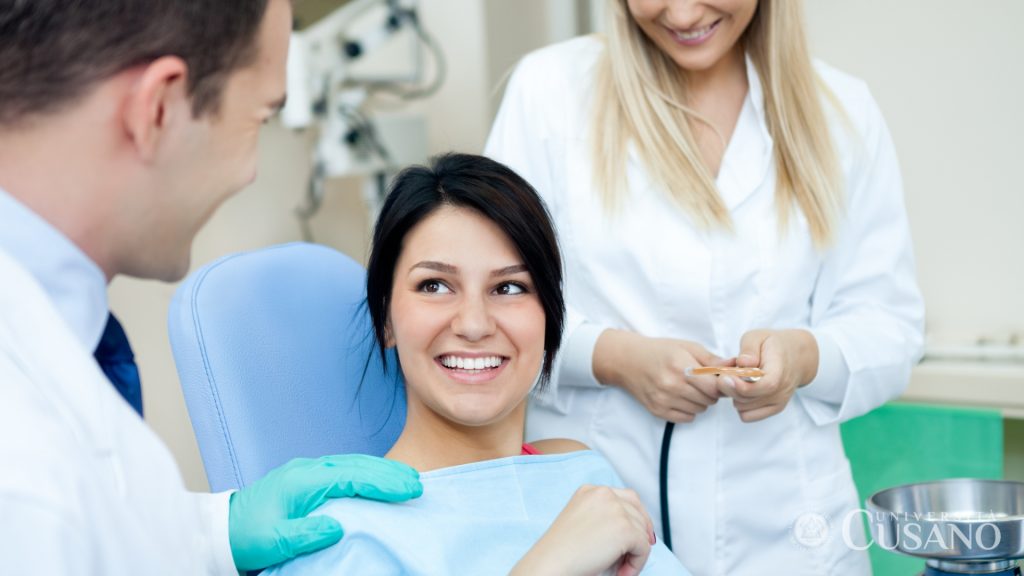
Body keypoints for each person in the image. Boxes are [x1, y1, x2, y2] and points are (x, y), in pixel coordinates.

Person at [484, 0, 925, 573]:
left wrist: (803, 357)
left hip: (791, 537)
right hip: (597, 522)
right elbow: (493, 302)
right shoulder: (549, 91)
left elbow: (889, 324)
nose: (684, 12)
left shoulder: (842, 111)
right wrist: (614, 358)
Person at [0, 1, 423, 573]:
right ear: (159, 108)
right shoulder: (24, 471)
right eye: (260, 118)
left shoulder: (47, 331)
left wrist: (213, 532)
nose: (248, 172)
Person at [264, 153, 688, 575]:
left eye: (508, 287)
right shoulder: (342, 539)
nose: (474, 324)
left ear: (550, 319)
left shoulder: (582, 478)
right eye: (434, 285)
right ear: (386, 320)